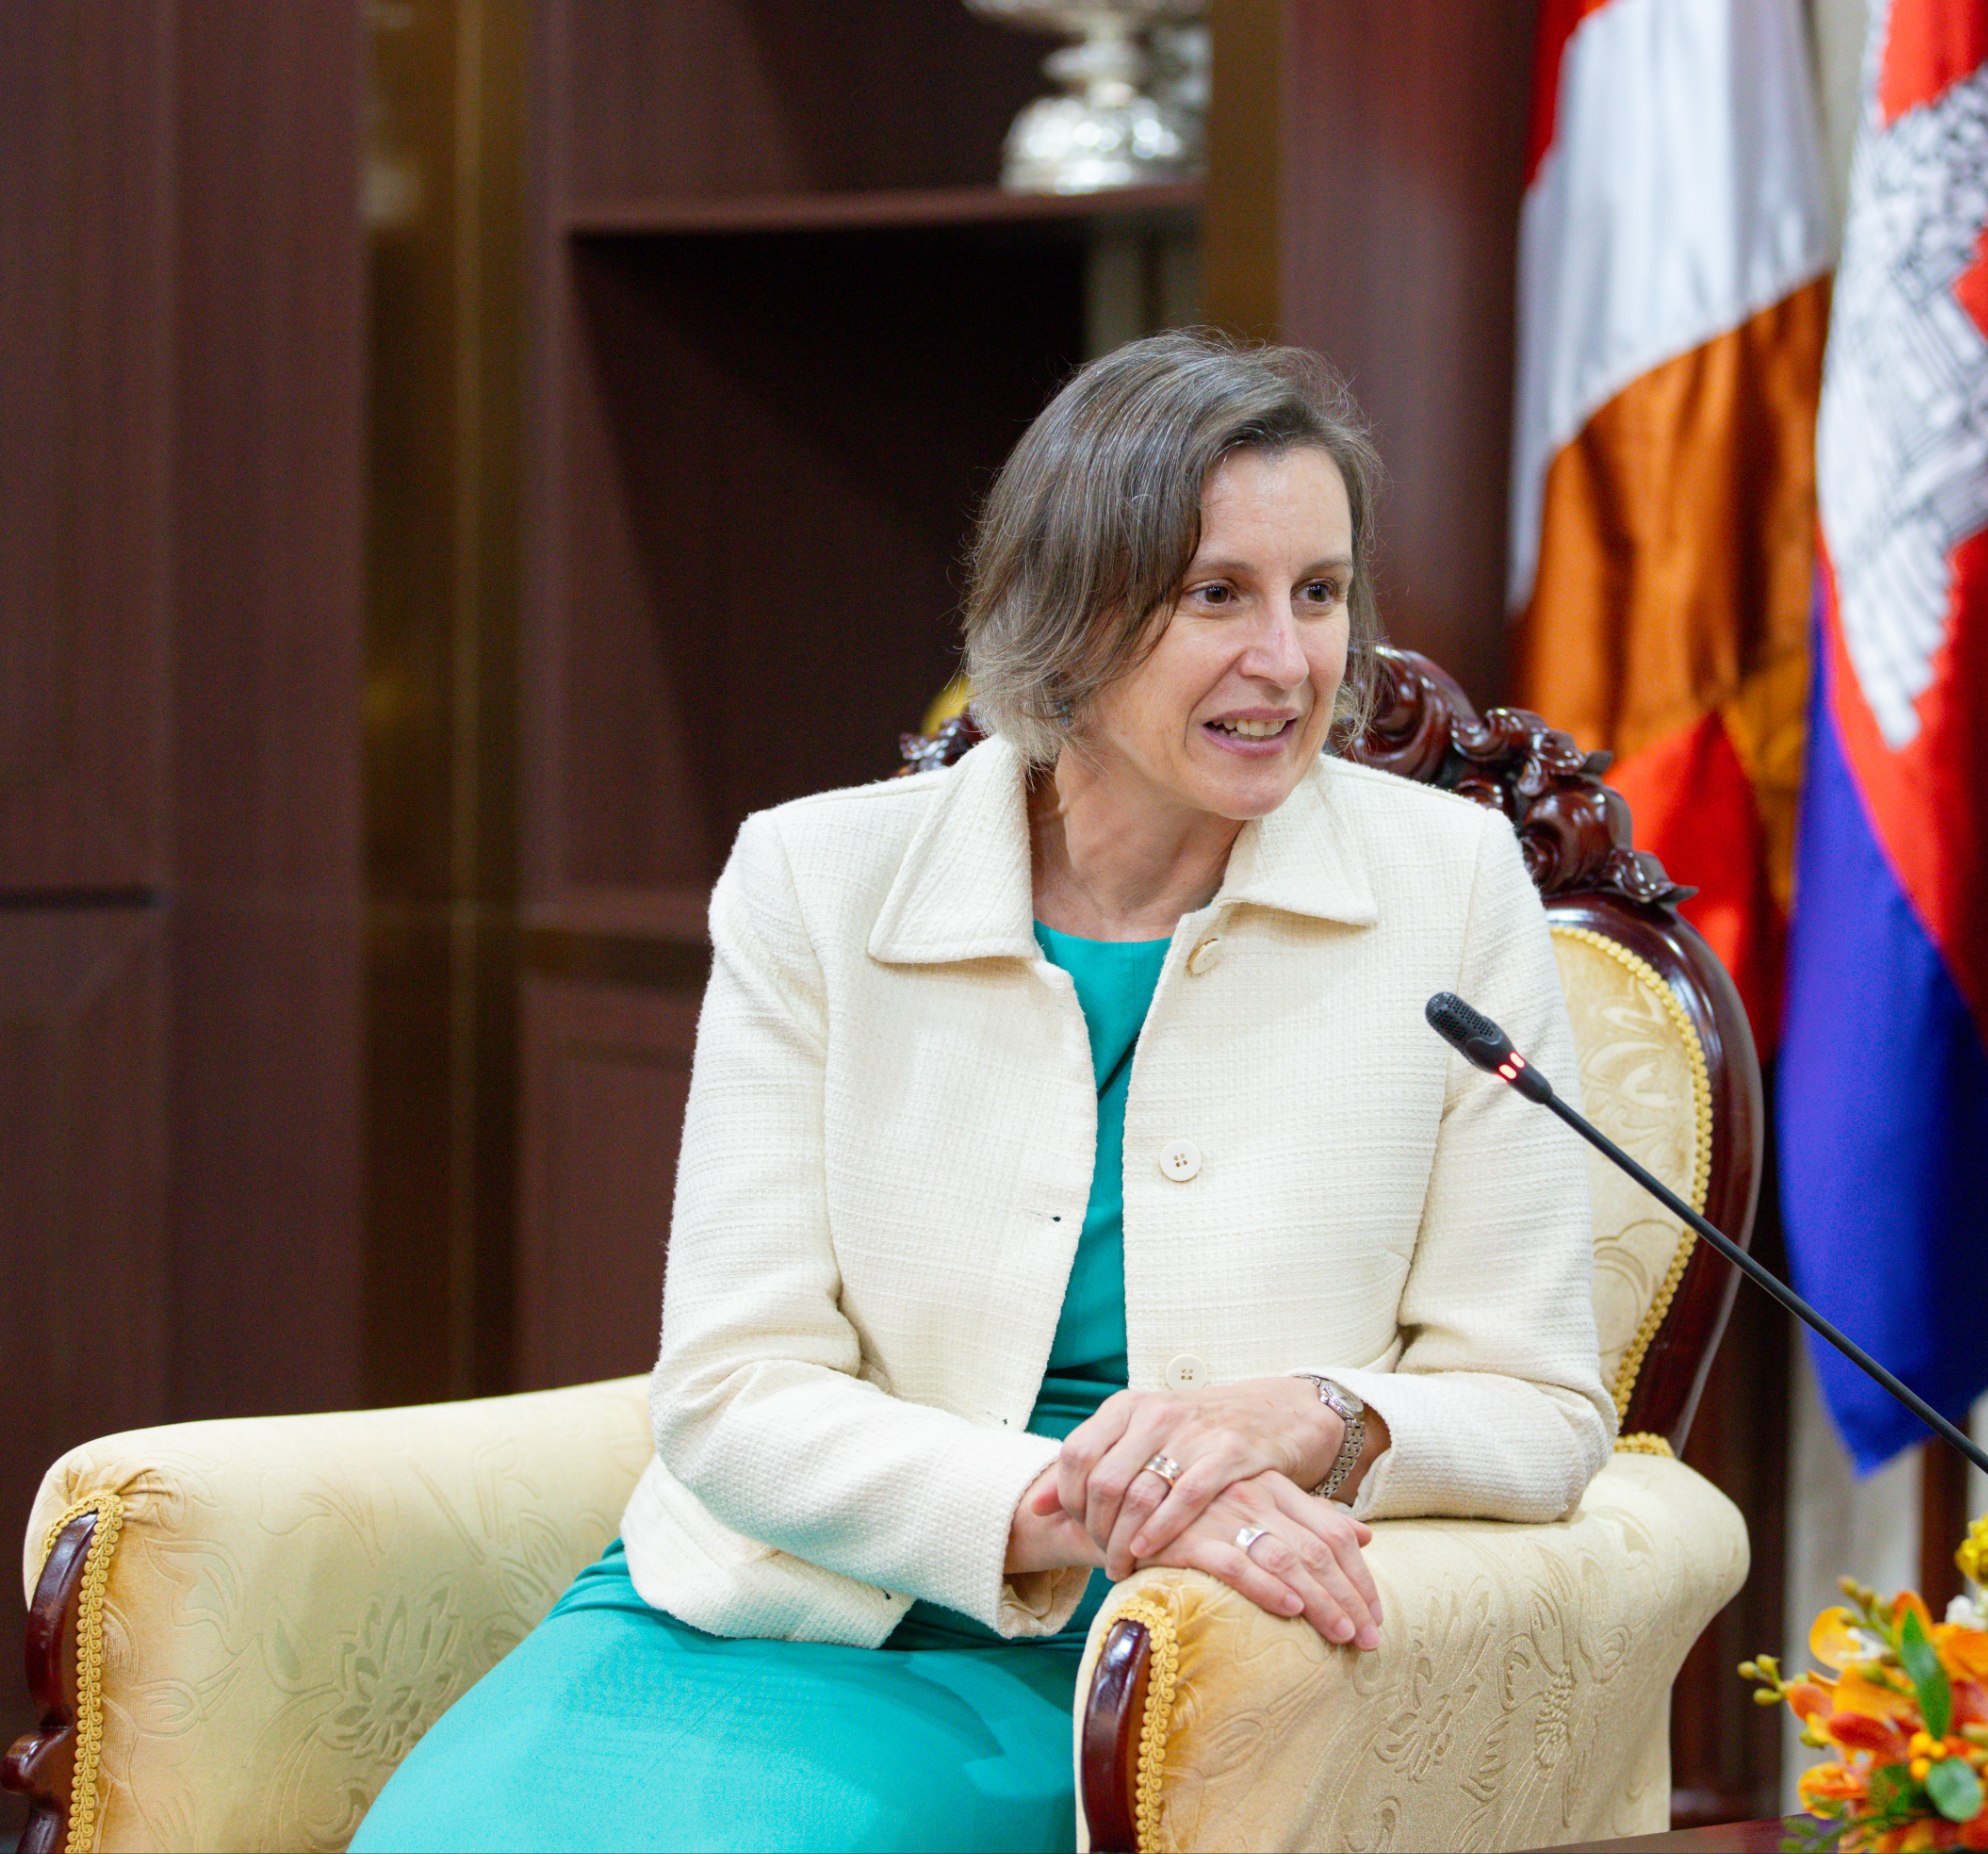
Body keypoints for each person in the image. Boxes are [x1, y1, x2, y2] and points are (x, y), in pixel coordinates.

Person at [352, 330, 1611, 1852]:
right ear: (1069, 611)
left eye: (1321, 593)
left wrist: (1312, 1419)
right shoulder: (818, 880)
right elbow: (731, 1392)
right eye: (1216, 593)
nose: (1288, 661)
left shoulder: (1447, 884)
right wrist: (1082, 1497)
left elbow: (1544, 1411)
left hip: (1157, 1651)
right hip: (774, 1598)